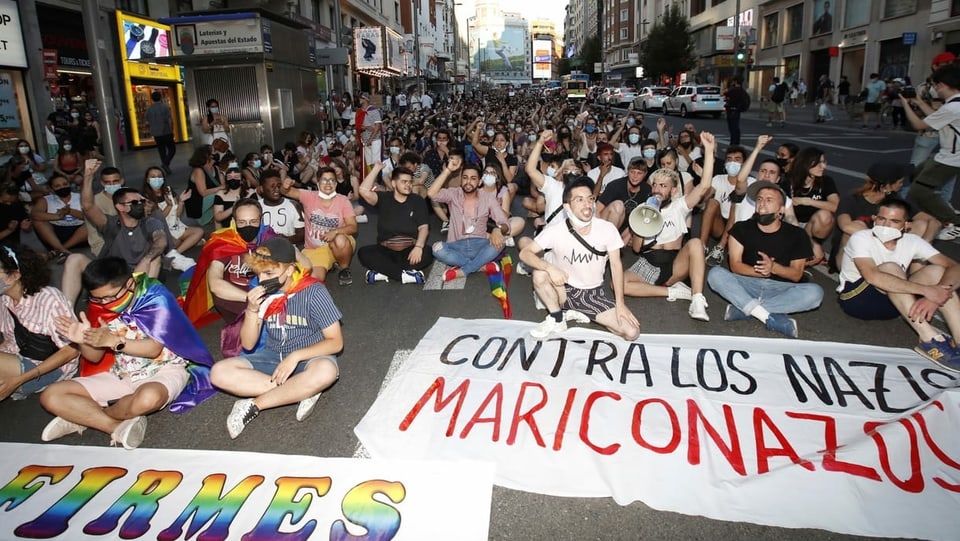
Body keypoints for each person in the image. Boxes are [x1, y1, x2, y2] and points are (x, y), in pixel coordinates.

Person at [40, 257, 214, 449]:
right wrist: (82, 342)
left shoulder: (155, 297)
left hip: (165, 370)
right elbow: (95, 357)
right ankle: (113, 426)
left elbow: (153, 348)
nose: (105, 303)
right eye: (98, 298)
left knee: (149, 398)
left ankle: (86, 416)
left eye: (110, 296)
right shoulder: (100, 306)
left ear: (130, 283)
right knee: (51, 395)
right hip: (122, 373)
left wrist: (114, 342)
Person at [211, 237, 342, 438]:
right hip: (272, 356)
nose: (262, 280)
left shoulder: (314, 291)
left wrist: (296, 356)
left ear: (289, 270)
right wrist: (252, 310)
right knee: (219, 372)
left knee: (326, 371)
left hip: (309, 357)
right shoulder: (265, 295)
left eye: (269, 273)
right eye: (259, 273)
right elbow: (248, 343)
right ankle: (301, 390)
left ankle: (254, 405)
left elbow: (336, 342)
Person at [837, 197, 960, 370]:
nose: (886, 226)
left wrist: (935, 296)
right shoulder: (861, 238)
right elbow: (872, 276)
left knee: (939, 272)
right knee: (890, 268)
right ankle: (929, 340)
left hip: (896, 303)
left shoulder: (913, 241)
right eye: (882, 219)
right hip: (858, 299)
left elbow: (955, 267)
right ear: (874, 219)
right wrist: (926, 291)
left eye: (894, 221)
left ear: (906, 225)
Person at [519, 176, 640, 340]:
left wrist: (620, 303)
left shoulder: (607, 229)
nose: (587, 204)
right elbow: (524, 253)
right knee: (540, 273)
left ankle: (582, 313)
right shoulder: (556, 230)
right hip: (563, 288)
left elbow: (616, 266)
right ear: (567, 207)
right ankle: (557, 317)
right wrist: (550, 267)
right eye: (580, 200)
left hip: (593, 294)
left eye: (590, 199)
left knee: (632, 332)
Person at [707, 181, 824, 338]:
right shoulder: (741, 228)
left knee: (815, 293)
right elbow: (735, 266)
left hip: (781, 288)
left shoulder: (797, 234)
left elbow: (796, 274)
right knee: (715, 274)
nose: (762, 204)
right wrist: (762, 273)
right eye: (760, 199)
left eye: (769, 200)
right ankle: (767, 316)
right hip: (747, 283)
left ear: (781, 210)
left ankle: (746, 308)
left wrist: (773, 268)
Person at [624, 132, 717, 321]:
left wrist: (708, 150)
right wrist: (642, 225)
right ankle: (672, 292)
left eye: (664, 186)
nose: (658, 189)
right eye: (655, 185)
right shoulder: (643, 209)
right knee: (619, 284)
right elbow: (635, 249)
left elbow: (705, 185)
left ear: (673, 190)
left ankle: (697, 300)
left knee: (696, 243)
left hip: (674, 264)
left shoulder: (679, 206)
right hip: (649, 262)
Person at [0, 246, 79, 401]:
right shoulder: (4, 300)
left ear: (15, 275)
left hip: (46, 370)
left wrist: (20, 380)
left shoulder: (49, 300)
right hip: (19, 359)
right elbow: (10, 339)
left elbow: (72, 350)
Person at [428, 161, 511, 281]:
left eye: (473, 178)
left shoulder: (488, 199)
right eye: (465, 178)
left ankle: (463, 271)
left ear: (479, 182)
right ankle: (479, 266)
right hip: (456, 245)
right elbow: (431, 193)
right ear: (461, 180)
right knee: (437, 248)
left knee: (501, 241)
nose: (468, 182)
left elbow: (505, 224)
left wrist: (498, 230)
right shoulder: (453, 194)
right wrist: (448, 171)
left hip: (480, 245)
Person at [902, 63, 960, 227]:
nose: (934, 89)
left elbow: (919, 125)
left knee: (919, 190)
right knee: (917, 173)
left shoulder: (952, 107)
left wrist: (905, 104)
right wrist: (919, 102)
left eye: (935, 85)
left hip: (950, 158)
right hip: (949, 156)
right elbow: (937, 117)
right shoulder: (954, 104)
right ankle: (919, 216)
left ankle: (952, 221)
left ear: (942, 85)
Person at [357, 163, 434, 284]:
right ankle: (405, 275)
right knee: (364, 253)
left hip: (410, 250)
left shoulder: (417, 200)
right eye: (404, 182)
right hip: (385, 250)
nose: (408, 185)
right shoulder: (383, 198)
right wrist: (376, 169)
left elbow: (424, 227)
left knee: (428, 252)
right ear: (393, 183)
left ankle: (382, 272)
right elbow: (363, 190)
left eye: (410, 182)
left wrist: (418, 247)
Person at [282, 167, 358, 285]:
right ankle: (328, 264)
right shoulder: (309, 196)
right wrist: (286, 185)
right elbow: (286, 192)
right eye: (324, 180)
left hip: (338, 243)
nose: (328, 183)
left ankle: (344, 269)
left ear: (336, 184)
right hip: (315, 249)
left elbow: (353, 227)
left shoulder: (343, 201)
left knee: (340, 239)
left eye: (332, 180)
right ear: (318, 183)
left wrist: (335, 232)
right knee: (313, 279)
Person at [787, 147, 839, 266]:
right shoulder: (790, 182)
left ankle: (814, 249)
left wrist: (807, 201)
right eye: (818, 163)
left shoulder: (826, 181)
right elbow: (788, 217)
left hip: (812, 226)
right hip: (792, 224)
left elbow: (835, 206)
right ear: (806, 164)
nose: (823, 166)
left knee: (825, 216)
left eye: (824, 162)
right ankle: (803, 256)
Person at [31, 173, 87, 262]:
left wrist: (70, 211)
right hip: (54, 234)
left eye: (65, 184)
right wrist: (58, 216)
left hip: (79, 234)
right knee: (38, 221)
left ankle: (57, 251)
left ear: (69, 184)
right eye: (57, 186)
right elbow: (35, 214)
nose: (62, 187)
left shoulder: (81, 197)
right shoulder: (46, 199)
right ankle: (62, 250)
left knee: (90, 225)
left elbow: (90, 215)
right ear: (52, 189)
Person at [184, 146, 223, 226]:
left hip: (208, 199)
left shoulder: (216, 168)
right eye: (214, 151)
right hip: (198, 202)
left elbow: (223, 185)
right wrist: (219, 188)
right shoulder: (199, 171)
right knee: (219, 195)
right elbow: (203, 192)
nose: (217, 153)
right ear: (207, 155)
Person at [146, 91, 175, 174]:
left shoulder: (149, 109)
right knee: (172, 149)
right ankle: (166, 163)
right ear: (160, 97)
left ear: (152, 99)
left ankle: (166, 165)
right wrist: (171, 129)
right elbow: (169, 119)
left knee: (161, 150)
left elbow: (147, 122)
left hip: (156, 133)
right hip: (166, 131)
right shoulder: (165, 107)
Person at [355, 92, 382, 173]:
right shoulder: (359, 112)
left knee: (375, 163)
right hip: (365, 140)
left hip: (374, 140)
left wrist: (370, 139)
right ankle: (372, 182)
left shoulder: (374, 110)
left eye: (361, 98)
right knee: (369, 163)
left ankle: (377, 180)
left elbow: (377, 127)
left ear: (365, 100)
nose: (359, 100)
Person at [724, 77, 748, 146]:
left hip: (731, 110)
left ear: (735, 82)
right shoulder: (742, 91)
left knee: (732, 128)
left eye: (733, 81)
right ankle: (736, 142)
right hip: (737, 110)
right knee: (736, 127)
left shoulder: (733, 90)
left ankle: (733, 143)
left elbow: (724, 94)